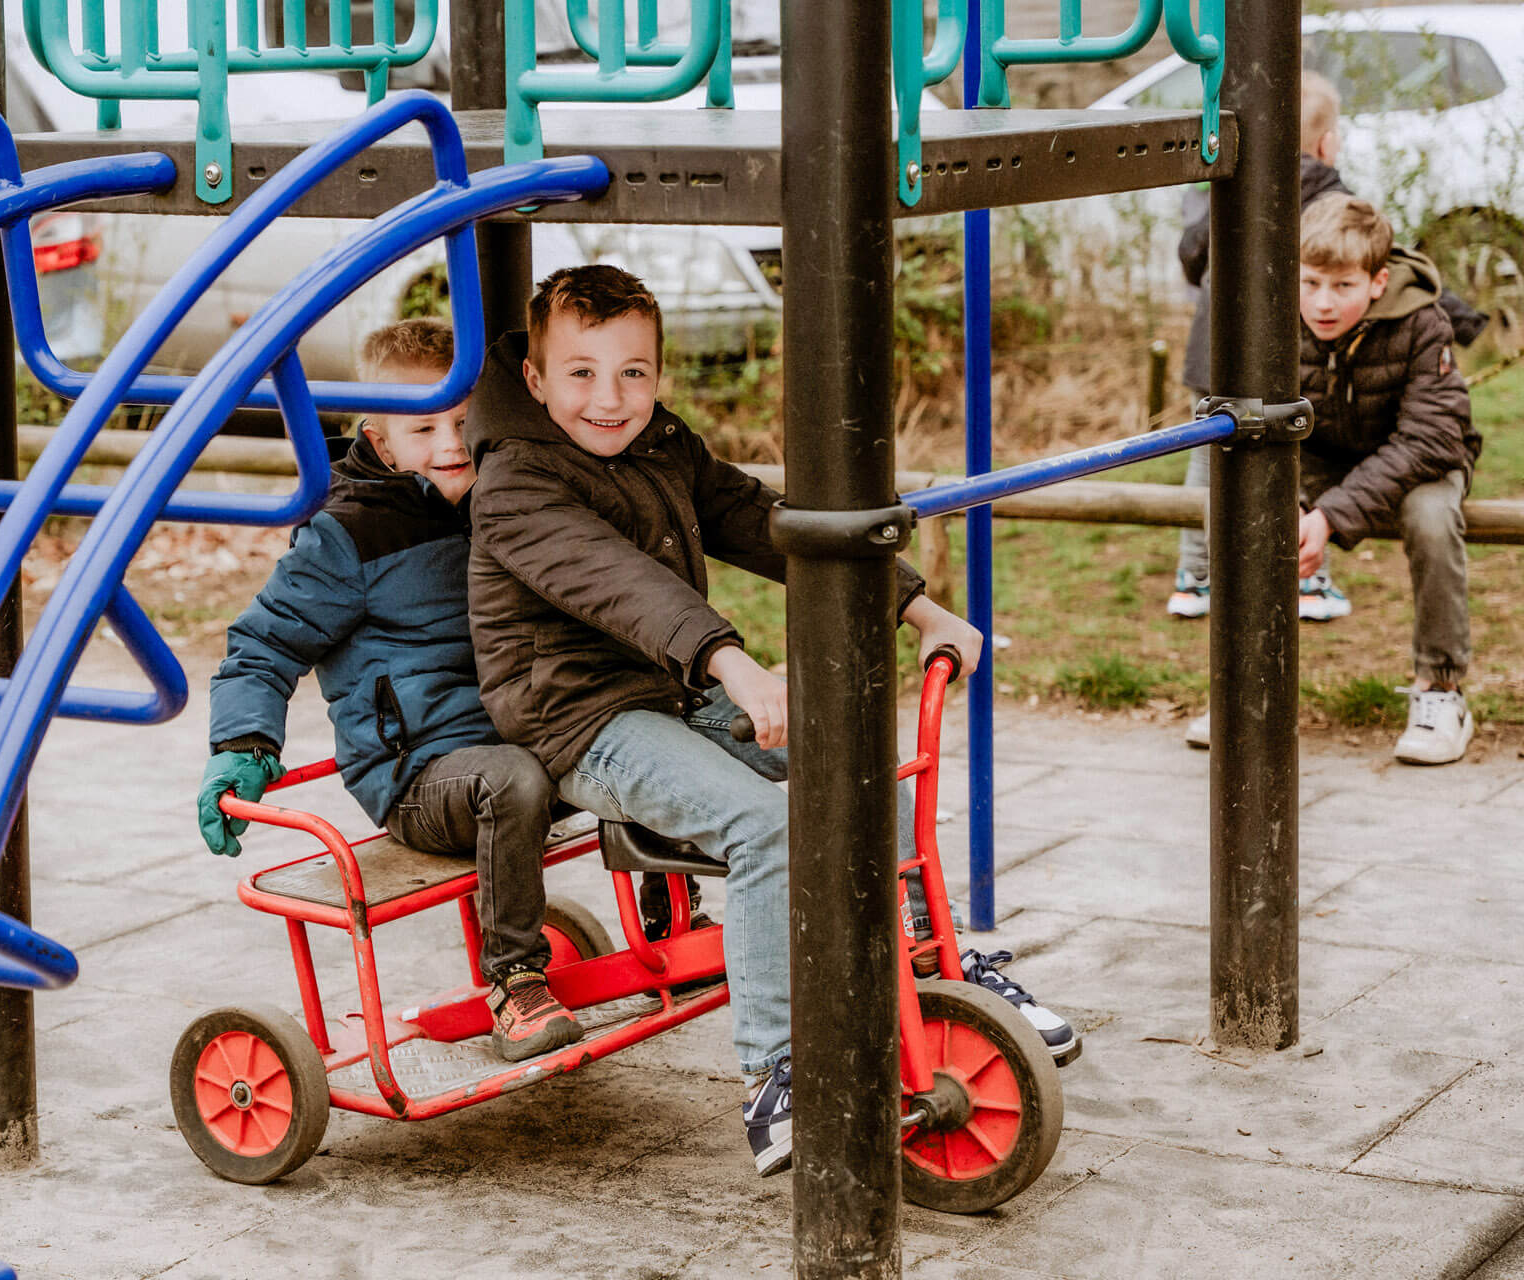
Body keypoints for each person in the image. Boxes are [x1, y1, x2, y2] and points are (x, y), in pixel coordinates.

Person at [464, 264, 1078, 1177]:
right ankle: (776, 1071)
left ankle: (929, 972)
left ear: (661, 375)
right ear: (535, 379)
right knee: (768, 826)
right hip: (579, 716)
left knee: (859, 778)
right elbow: (615, 582)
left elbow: (769, 522)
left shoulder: (662, 445)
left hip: (676, 689)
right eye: (582, 373)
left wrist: (918, 608)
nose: (610, 398)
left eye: (634, 371)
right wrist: (732, 662)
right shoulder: (515, 483)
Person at [197, 318, 583, 1063]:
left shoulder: (502, 501)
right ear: (379, 441)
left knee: (634, 717)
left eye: (465, 423)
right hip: (419, 775)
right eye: (422, 427)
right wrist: (241, 743)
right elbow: (264, 642)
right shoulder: (345, 538)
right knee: (512, 780)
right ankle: (514, 983)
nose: (449, 444)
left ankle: (678, 904)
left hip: (517, 731)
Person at [1164, 69, 1485, 635]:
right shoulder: (1328, 200)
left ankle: (1198, 576)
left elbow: (1192, 252)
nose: (1324, 300)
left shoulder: (1242, 188)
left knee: (1207, 464)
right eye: (1310, 283)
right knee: (1234, 469)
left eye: (1340, 285)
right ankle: (1262, 636)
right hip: (1268, 381)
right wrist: (1470, 321)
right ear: (1326, 141)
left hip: (1225, 357)